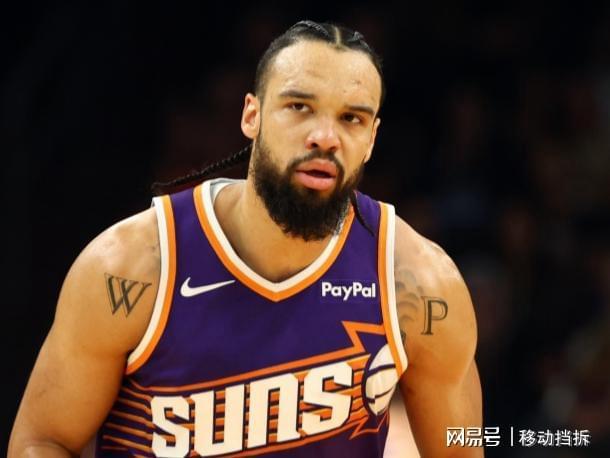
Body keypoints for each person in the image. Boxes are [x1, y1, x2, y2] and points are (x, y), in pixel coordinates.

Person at [9, 20, 482, 457]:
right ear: (251, 115)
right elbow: (42, 441)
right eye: (299, 107)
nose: (325, 136)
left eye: (351, 118)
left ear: (372, 139)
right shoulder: (132, 267)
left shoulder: (421, 283)